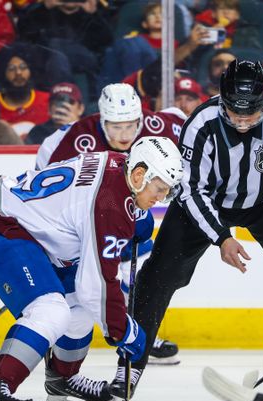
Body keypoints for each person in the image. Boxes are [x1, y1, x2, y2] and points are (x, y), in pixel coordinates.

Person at [128, 60, 263, 401]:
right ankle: (130, 367)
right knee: (157, 276)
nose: (242, 121)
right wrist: (222, 237)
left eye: (252, 114)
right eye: (234, 112)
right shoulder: (201, 123)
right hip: (207, 203)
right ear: (222, 99)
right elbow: (192, 190)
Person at [0, 137, 183, 401]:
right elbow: (98, 287)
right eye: (160, 190)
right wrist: (125, 332)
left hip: (20, 228)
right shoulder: (111, 205)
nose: (160, 199)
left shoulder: (118, 164)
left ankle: (62, 380)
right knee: (50, 309)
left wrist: (137, 212)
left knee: (77, 306)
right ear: (140, 175)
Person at [36, 82, 186, 363]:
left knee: (143, 271)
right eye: (115, 127)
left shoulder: (160, 126)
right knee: (94, 278)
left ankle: (140, 331)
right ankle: (66, 336)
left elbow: (185, 121)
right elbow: (47, 182)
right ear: (101, 119)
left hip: (131, 209)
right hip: (85, 218)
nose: (124, 135)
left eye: (131, 126)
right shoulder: (73, 139)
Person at [0, 43, 52, 140]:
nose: (18, 73)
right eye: (11, 68)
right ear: (3, 73)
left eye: (23, 67)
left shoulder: (48, 100)